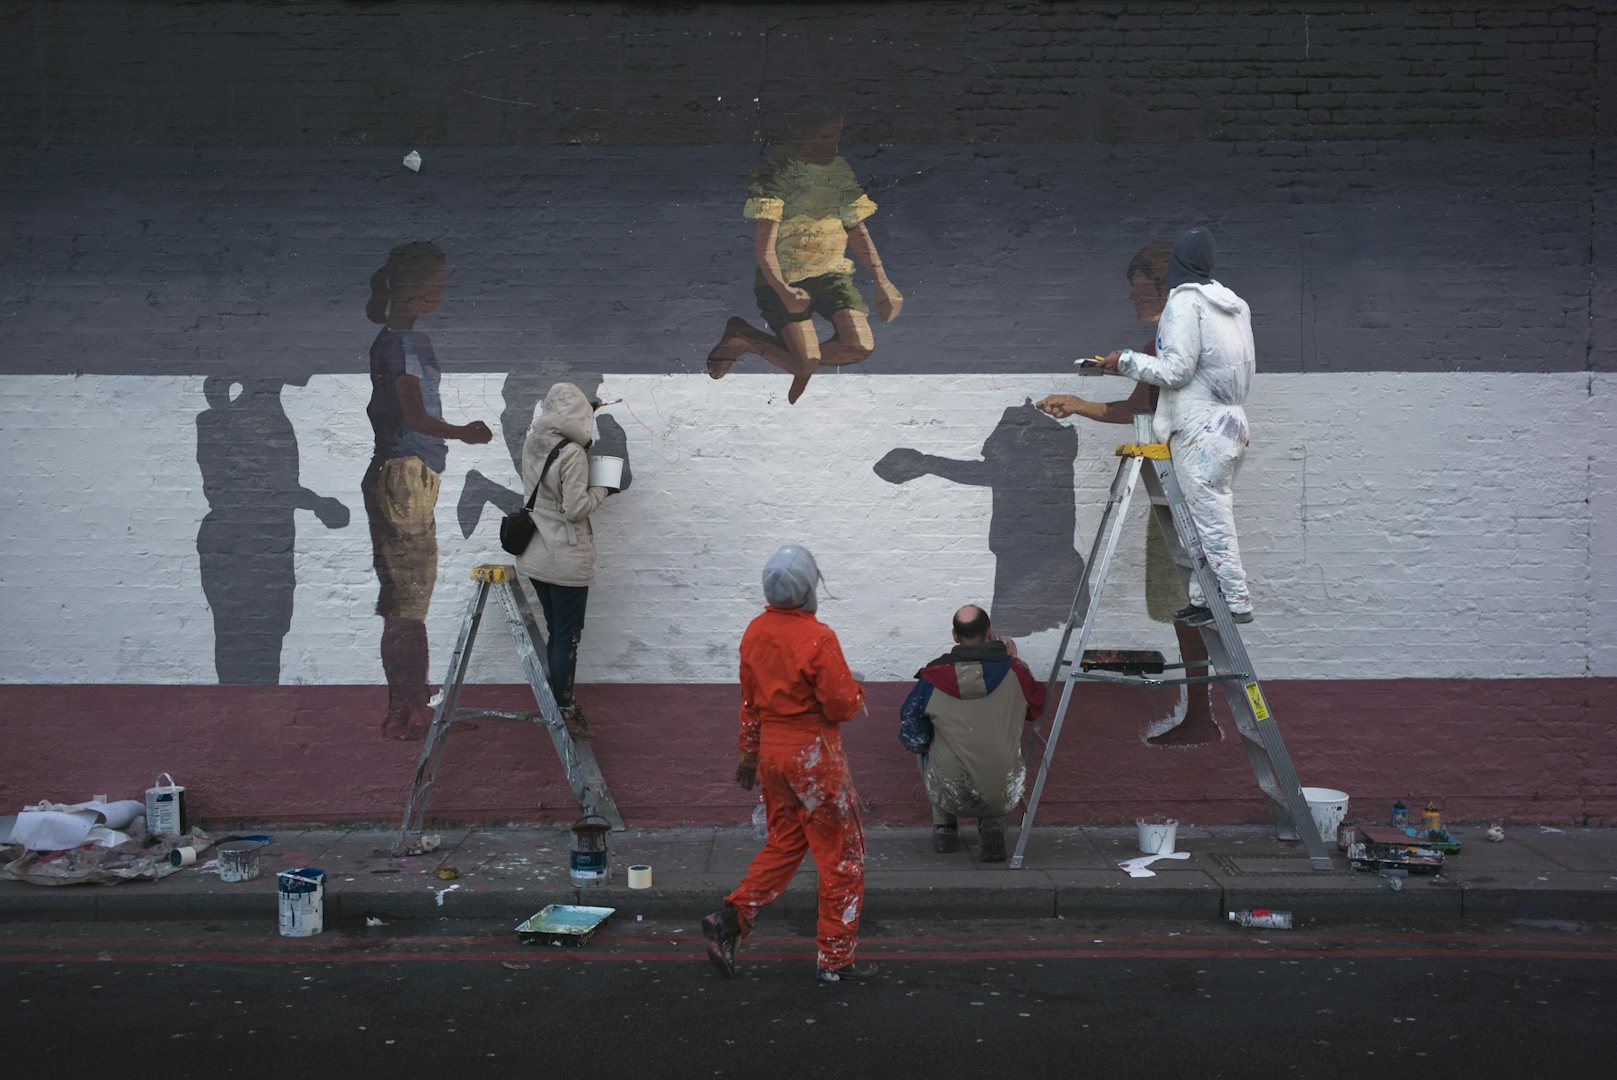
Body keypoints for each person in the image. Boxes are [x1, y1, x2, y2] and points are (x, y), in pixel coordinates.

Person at [1035, 240, 1220, 745]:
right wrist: (1080, 399)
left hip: (1185, 483)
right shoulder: (1177, 337)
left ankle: (1202, 715)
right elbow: (1136, 409)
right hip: (1178, 483)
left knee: (1189, 597)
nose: (1134, 297)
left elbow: (1141, 404)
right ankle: (1200, 714)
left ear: (1163, 286)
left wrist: (1091, 389)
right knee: (1181, 597)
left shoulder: (1174, 337)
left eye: (1141, 287)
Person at [702, 545, 875, 984]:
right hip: (813, 756)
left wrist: (747, 754)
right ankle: (836, 959)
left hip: (773, 758)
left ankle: (733, 916)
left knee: (785, 842)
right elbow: (838, 706)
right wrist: (857, 695)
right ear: (806, 590)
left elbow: (749, 703)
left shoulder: (754, 632)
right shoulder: (818, 637)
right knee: (842, 856)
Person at [1091, 227, 1257, 627]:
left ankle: (1235, 600)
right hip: (1230, 422)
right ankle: (1203, 597)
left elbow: (1177, 370)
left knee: (1211, 518)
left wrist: (1126, 360)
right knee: (1199, 517)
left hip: (1201, 429)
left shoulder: (1184, 303)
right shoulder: (1234, 305)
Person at [363, 241, 492, 741]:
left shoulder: (411, 341)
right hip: (404, 476)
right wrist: (463, 432)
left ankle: (410, 702)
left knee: (410, 597)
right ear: (416, 291)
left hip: (415, 475)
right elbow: (411, 414)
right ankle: (406, 710)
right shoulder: (398, 344)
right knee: (407, 602)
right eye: (435, 287)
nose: (439, 296)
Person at [705, 109, 903, 404]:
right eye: (823, 136)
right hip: (783, 277)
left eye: (835, 138)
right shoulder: (775, 173)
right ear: (800, 135)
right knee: (802, 363)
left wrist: (882, 280)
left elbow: (856, 228)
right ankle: (743, 337)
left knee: (859, 345)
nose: (830, 145)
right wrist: (783, 291)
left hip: (832, 276)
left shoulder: (838, 171)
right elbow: (764, 248)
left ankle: (801, 357)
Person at [898, 605, 1045, 861]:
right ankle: (993, 821)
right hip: (1004, 791)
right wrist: (1016, 661)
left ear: (954, 635)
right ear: (990, 631)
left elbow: (913, 735)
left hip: (950, 791)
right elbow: (1036, 709)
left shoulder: (932, 678)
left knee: (926, 743)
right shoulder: (1015, 672)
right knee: (1000, 736)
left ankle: (944, 826)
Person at [514, 382, 617, 741]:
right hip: (566, 558)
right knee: (567, 639)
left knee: (555, 632)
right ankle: (564, 708)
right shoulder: (572, 453)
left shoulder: (534, 441)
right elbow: (575, 509)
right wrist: (603, 488)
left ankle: (555, 699)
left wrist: (589, 408)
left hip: (537, 554)